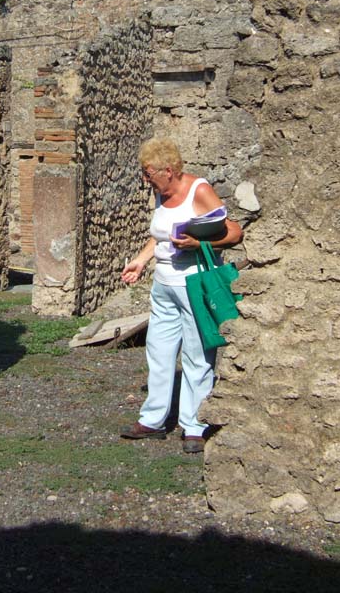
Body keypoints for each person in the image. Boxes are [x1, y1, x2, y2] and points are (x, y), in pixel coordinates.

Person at [119, 138, 242, 454]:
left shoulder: (198, 191)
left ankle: (194, 424)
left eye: (149, 174)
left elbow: (233, 232)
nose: (146, 181)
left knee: (197, 355)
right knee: (158, 353)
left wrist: (199, 245)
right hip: (163, 287)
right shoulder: (162, 194)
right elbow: (159, 235)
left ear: (169, 170)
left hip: (194, 286)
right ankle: (153, 420)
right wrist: (141, 259)